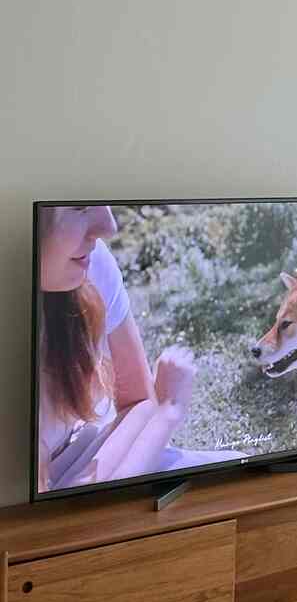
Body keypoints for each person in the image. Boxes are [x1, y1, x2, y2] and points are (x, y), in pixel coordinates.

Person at [37, 205, 243, 492]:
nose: (108, 226)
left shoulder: (88, 261)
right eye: (80, 207)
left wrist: (156, 414)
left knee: (242, 473)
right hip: (49, 505)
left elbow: (137, 402)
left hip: (79, 458)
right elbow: (71, 520)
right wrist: (167, 413)